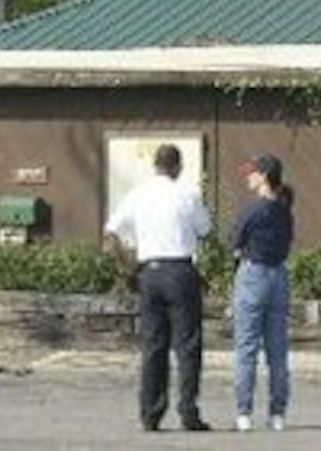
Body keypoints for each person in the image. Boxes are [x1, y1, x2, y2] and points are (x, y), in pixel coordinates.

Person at [104, 144, 213, 433]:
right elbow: (205, 229)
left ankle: (150, 414)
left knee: (153, 346)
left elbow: (111, 231)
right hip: (180, 269)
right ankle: (188, 410)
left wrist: (126, 267)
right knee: (187, 345)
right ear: (178, 167)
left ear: (155, 166)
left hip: (149, 272)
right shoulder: (186, 195)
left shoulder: (138, 195)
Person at [230, 154, 295, 433]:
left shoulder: (252, 210)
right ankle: (277, 413)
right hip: (278, 275)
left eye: (253, 173)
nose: (249, 177)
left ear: (264, 176)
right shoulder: (284, 211)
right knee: (277, 351)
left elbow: (233, 240)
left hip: (253, 273)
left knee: (246, 348)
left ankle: (244, 412)